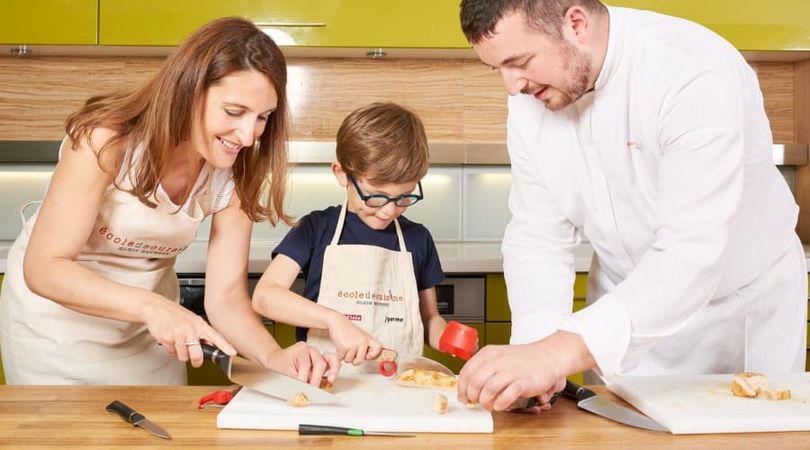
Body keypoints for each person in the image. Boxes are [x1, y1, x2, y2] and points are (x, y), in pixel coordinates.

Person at [456, 0, 808, 411]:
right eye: (498, 68)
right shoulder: (529, 101)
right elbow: (538, 236)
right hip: (619, 311)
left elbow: (691, 253)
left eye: (521, 61)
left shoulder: (693, 71)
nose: (511, 85)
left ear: (575, 23)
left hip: (738, 313)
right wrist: (534, 353)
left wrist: (557, 353)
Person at [0, 17, 339, 386]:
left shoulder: (236, 172)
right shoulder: (107, 141)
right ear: (188, 91)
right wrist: (154, 307)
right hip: (55, 326)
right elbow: (44, 268)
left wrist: (274, 357)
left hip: (148, 329)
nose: (247, 135)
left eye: (263, 117)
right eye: (233, 112)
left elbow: (225, 298)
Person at [252, 102, 448, 370]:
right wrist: (334, 321)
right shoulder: (316, 228)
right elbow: (265, 296)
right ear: (342, 174)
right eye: (376, 196)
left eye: (404, 198)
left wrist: (451, 338)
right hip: (325, 381)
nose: (388, 211)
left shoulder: (418, 238)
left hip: (399, 388)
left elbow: (429, 319)